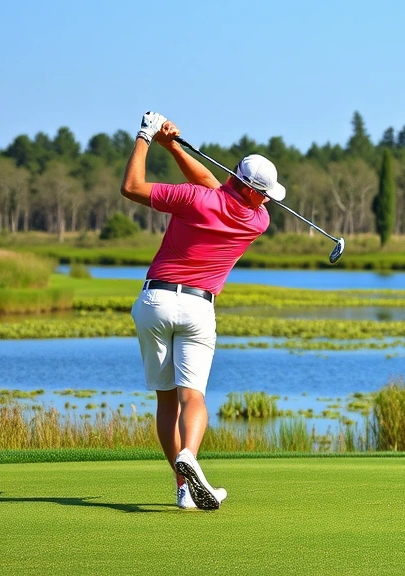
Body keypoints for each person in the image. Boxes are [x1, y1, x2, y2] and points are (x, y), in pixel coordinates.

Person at [120, 111, 286, 510]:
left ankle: (182, 487)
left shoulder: (193, 198)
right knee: (193, 396)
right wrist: (171, 145)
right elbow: (217, 188)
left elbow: (132, 187)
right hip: (198, 307)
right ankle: (189, 457)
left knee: (166, 400)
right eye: (264, 191)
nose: (266, 198)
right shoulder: (257, 220)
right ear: (252, 192)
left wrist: (146, 137)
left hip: (155, 302)